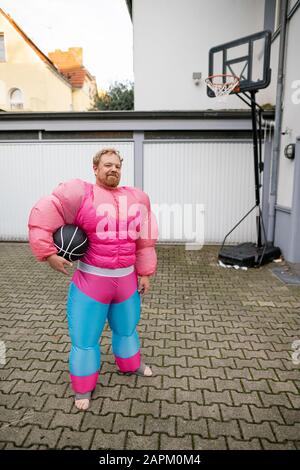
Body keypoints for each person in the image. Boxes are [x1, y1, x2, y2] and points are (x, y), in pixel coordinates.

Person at [28, 148, 158, 411]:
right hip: (91, 284)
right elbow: (44, 214)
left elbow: (145, 240)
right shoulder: (80, 193)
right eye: (107, 165)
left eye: (117, 166)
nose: (113, 169)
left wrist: (145, 272)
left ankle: (131, 364)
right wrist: (48, 253)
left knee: (127, 329)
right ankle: (83, 387)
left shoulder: (137, 198)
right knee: (85, 339)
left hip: (126, 283)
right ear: (96, 169)